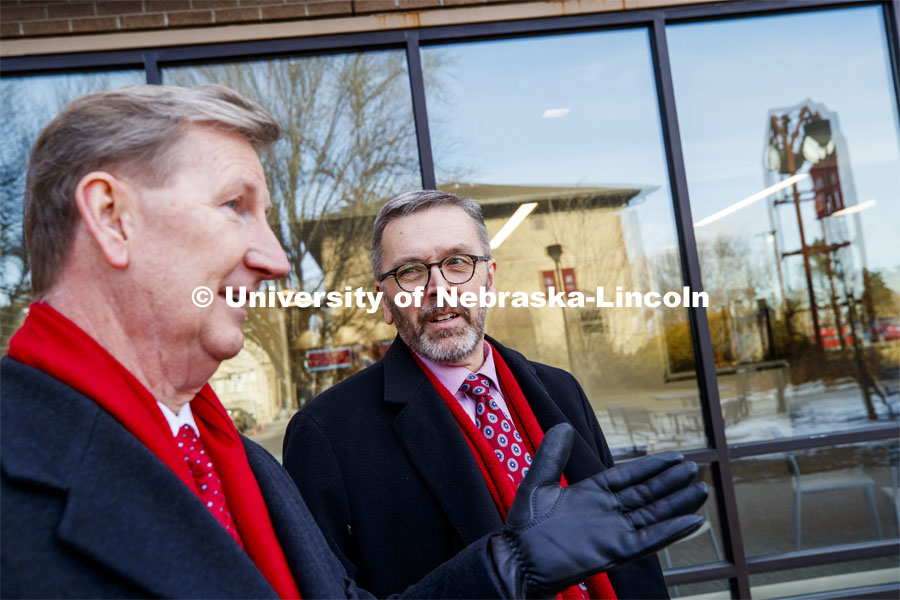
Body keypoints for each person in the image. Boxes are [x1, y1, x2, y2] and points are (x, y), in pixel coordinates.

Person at [2, 86, 706, 599]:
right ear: (111, 216)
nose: (276, 258)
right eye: (234, 207)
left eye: (458, 263)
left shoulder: (245, 466)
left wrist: (510, 565)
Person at [283, 190, 688, 599]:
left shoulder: (560, 390)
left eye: (457, 262)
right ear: (386, 302)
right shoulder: (327, 435)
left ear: (489, 278)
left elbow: (629, 555)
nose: (439, 289)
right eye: (410, 271)